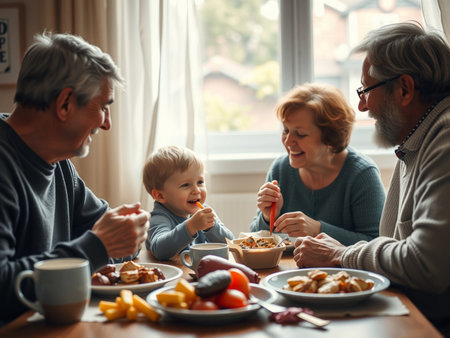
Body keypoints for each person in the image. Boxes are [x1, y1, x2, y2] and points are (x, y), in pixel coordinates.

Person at [293, 22, 450, 335]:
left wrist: (341, 254)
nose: (362, 105)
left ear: (404, 89)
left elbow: (427, 265)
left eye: (366, 90)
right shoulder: (418, 142)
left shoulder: (445, 142)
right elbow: (397, 246)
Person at [0, 32, 150, 324]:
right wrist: (99, 246)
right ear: (65, 103)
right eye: (103, 106)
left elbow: (107, 237)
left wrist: (124, 233)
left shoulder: (59, 163)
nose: (107, 124)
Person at [249, 83, 386, 245]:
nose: (288, 141)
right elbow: (255, 241)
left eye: (300, 134)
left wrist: (318, 230)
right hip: (291, 268)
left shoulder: (362, 175)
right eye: (286, 130)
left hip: (342, 270)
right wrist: (266, 217)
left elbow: (376, 244)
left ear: (330, 137)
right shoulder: (280, 170)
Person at [143, 145, 234, 260]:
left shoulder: (203, 211)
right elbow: (160, 249)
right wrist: (191, 226)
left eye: (200, 182)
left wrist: (211, 228)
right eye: (185, 185)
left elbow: (230, 243)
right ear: (160, 195)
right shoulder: (158, 218)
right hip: (171, 275)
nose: (196, 190)